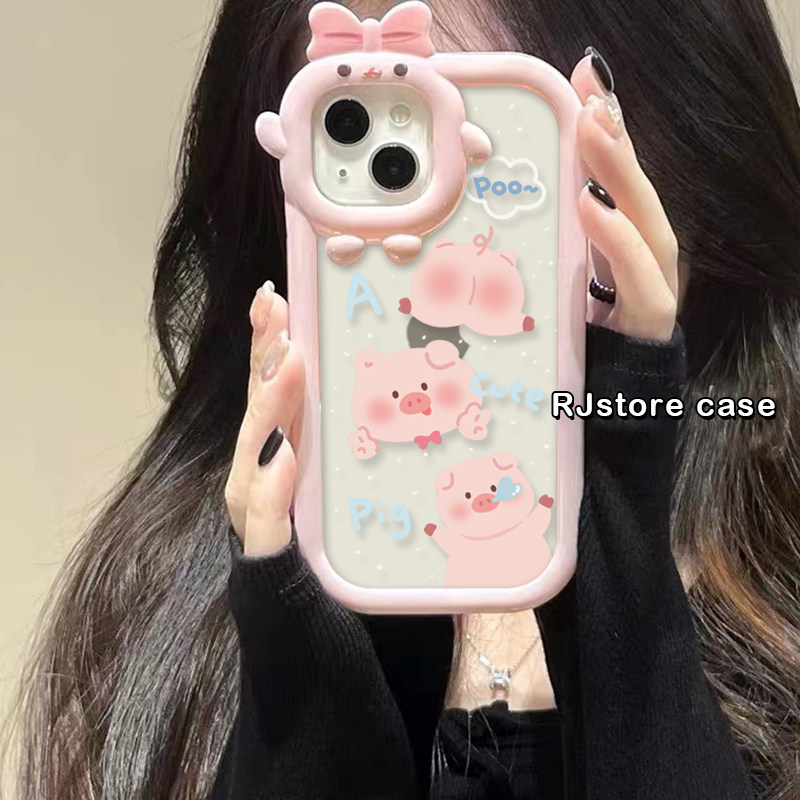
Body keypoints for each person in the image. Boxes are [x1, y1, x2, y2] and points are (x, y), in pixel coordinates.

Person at [10, 1, 799, 799]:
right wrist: (303, 661)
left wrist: (623, 526)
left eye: (518, 156)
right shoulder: (153, 643)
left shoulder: (780, 603)